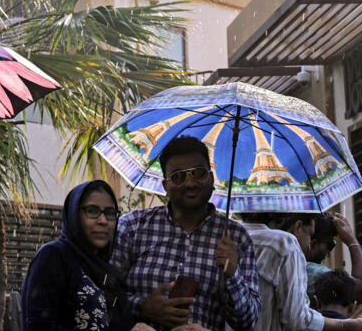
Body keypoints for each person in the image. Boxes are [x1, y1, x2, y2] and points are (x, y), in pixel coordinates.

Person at [110, 136, 261, 331]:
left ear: (211, 178)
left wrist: (233, 274)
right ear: (165, 186)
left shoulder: (235, 237)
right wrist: (144, 306)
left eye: (198, 173)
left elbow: (248, 322)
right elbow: (105, 294)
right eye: (178, 176)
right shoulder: (133, 226)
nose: (190, 183)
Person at [21, 180, 134, 331]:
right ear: (74, 214)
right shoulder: (54, 256)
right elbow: (38, 325)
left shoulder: (107, 273)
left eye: (110, 213)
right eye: (92, 211)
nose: (103, 221)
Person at [238, 213, 362, 331]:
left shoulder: (230, 238)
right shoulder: (286, 245)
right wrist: (347, 325)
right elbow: (296, 319)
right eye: (310, 235)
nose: (309, 244)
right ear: (298, 227)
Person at [306, 214, 362, 305]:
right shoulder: (312, 272)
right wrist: (351, 240)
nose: (328, 253)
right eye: (330, 245)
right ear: (313, 244)